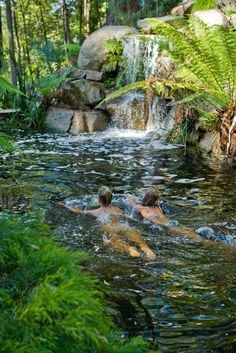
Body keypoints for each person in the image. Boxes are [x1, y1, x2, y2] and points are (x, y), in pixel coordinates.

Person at [60, 186, 156, 260]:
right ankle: (145, 248)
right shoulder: (118, 210)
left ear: (99, 200)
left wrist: (65, 205)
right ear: (111, 198)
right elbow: (129, 217)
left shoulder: (96, 212)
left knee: (113, 240)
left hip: (108, 226)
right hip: (120, 225)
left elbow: (79, 211)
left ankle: (129, 249)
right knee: (132, 231)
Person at [127, 188, 198, 239]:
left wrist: (130, 197)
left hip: (165, 226)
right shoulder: (158, 207)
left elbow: (132, 204)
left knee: (188, 235)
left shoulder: (142, 208)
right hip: (170, 222)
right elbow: (156, 199)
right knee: (188, 230)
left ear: (145, 198)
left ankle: (205, 242)